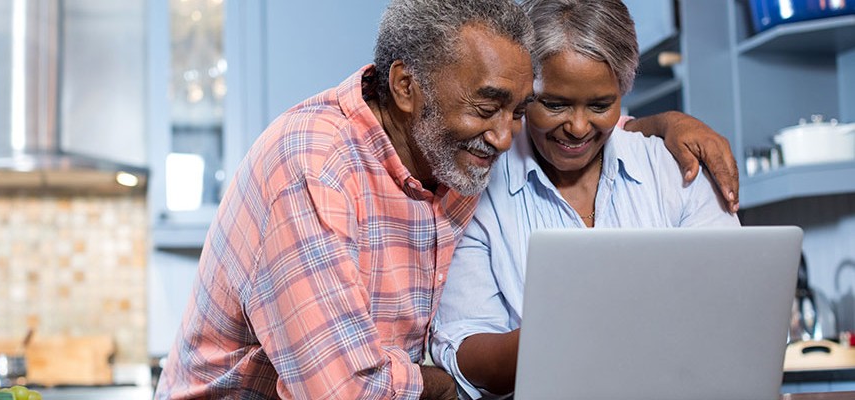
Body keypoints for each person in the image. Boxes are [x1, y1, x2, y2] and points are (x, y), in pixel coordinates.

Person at [155, 0, 738, 398]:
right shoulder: (312, 166)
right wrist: (441, 381)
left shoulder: (451, 156)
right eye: (488, 108)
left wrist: (663, 123)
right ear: (408, 86)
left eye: (517, 109)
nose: (507, 136)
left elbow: (583, 125)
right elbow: (347, 393)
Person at [429, 1, 742, 399]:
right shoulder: (477, 188)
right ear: (525, 93)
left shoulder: (677, 171)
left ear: (622, 93)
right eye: (554, 104)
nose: (577, 128)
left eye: (600, 105)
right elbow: (465, 347)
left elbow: (738, 315)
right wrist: (574, 331)